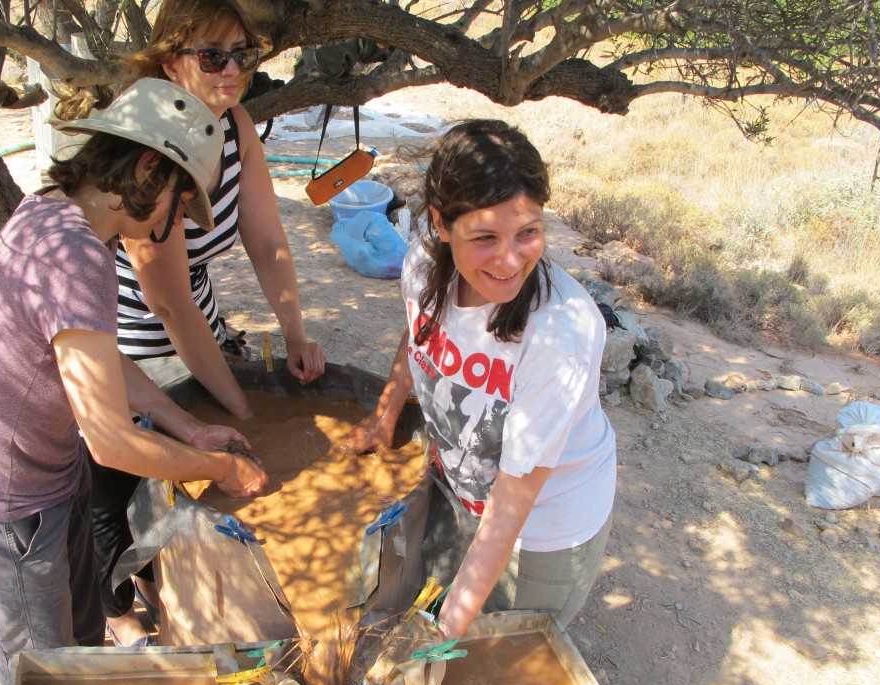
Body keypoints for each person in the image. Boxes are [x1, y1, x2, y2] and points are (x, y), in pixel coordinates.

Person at [0, 78, 269, 685]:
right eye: (177, 201)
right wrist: (216, 466)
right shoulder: (78, 257)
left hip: (29, 494)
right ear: (146, 169)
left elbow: (99, 364)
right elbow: (110, 442)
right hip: (7, 518)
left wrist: (186, 425)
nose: (169, 224)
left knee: (80, 657)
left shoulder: (47, 209)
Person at [90, 0, 328, 647]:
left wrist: (296, 330)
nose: (231, 71)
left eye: (242, 56)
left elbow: (267, 235)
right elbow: (168, 306)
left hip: (199, 320)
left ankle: (193, 592)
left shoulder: (234, 124)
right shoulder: (152, 153)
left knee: (205, 450)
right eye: (212, 55)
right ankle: (120, 613)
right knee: (123, 486)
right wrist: (249, 420)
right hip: (130, 337)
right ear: (172, 59)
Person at [345, 119, 617, 641]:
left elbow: (510, 511)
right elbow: (418, 331)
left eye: (528, 233)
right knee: (448, 607)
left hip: (540, 532)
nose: (510, 260)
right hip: (461, 492)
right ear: (443, 225)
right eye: (485, 237)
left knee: (500, 664)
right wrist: (384, 415)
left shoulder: (561, 333)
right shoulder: (425, 263)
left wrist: (436, 643)